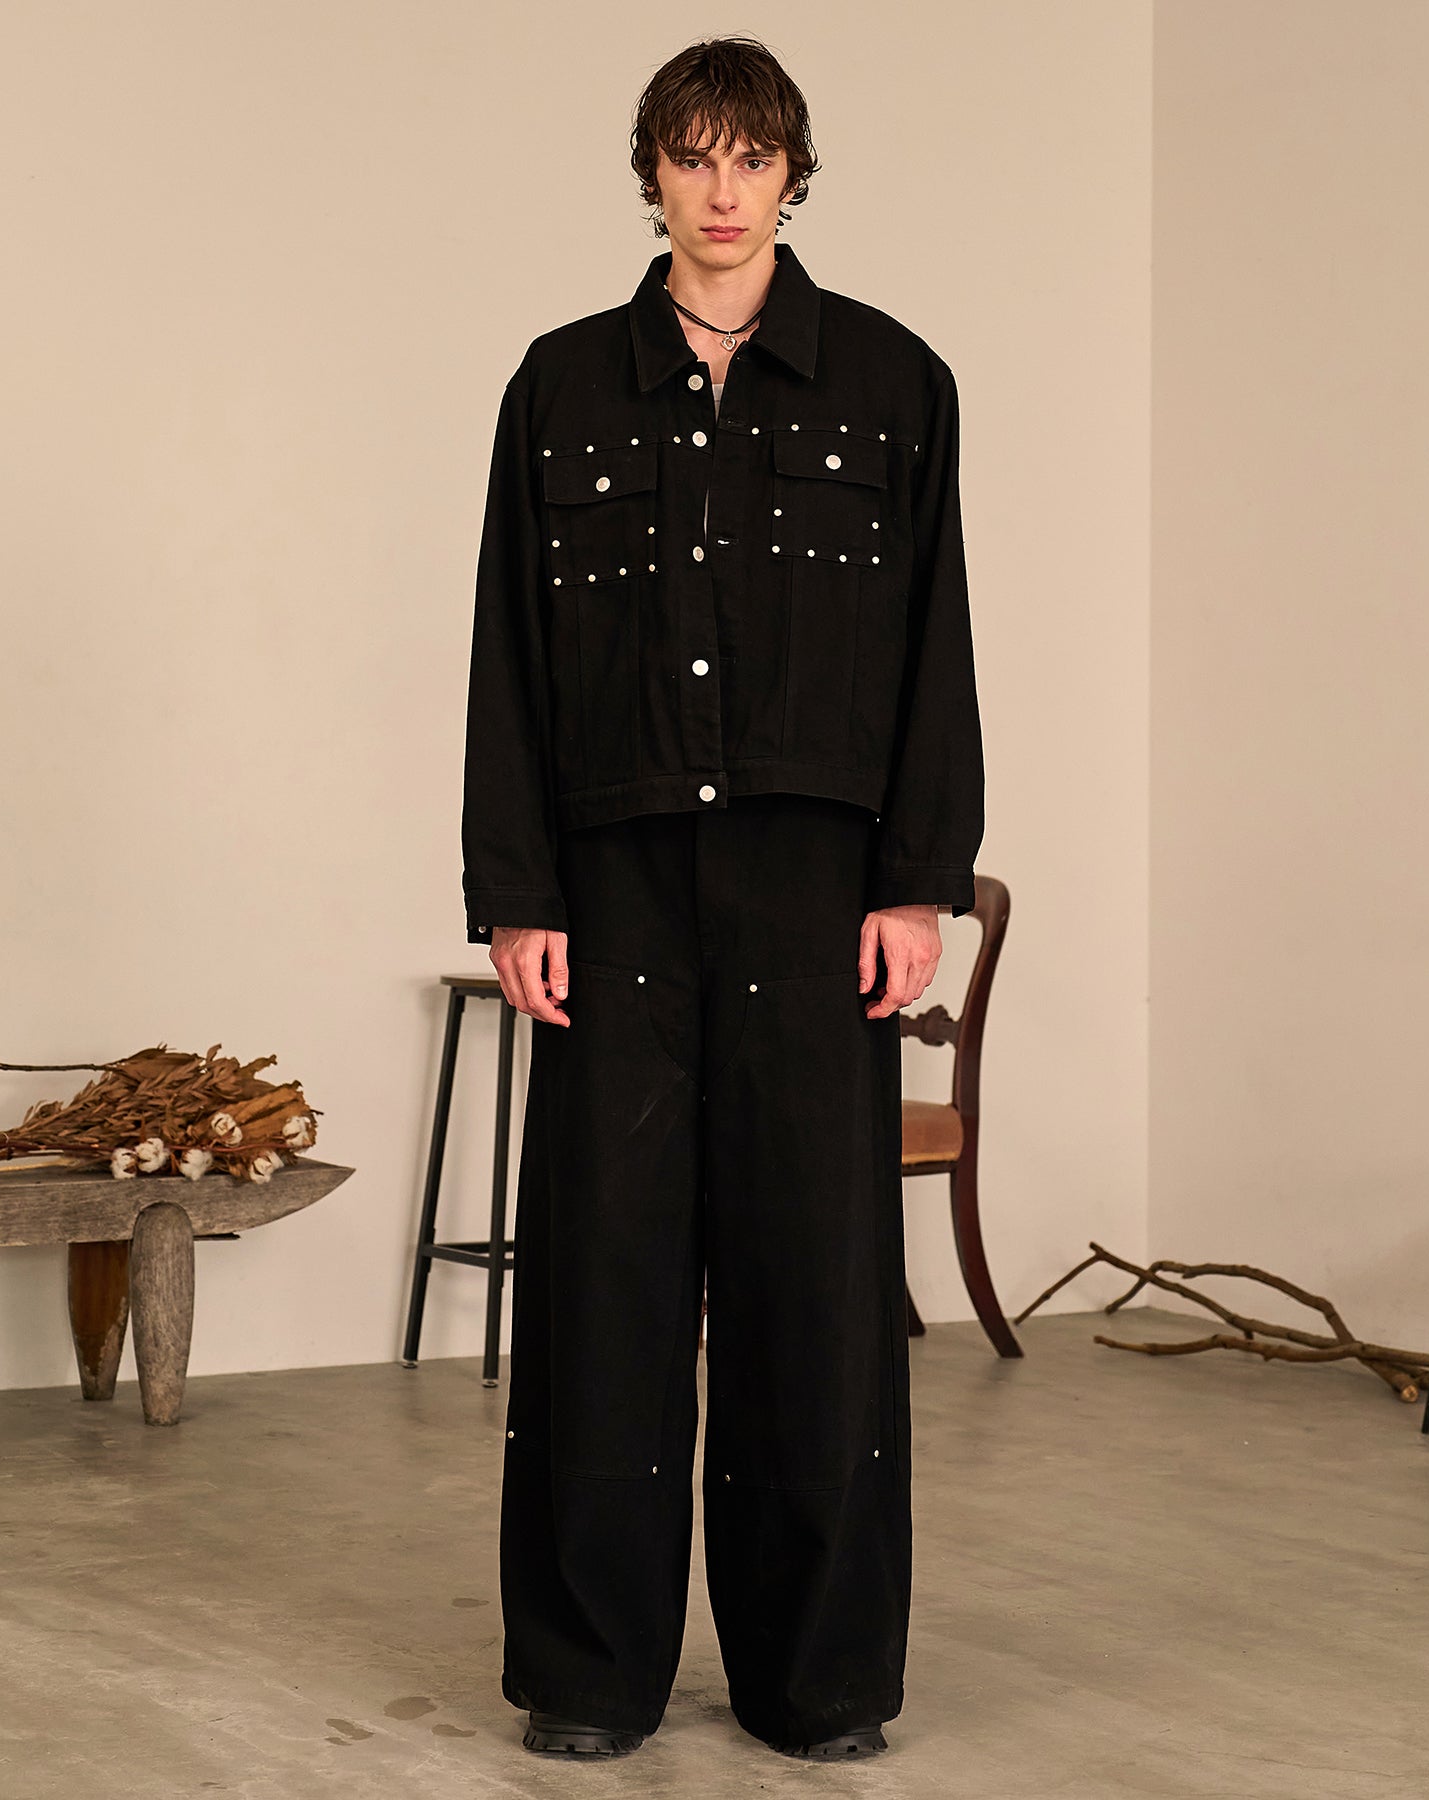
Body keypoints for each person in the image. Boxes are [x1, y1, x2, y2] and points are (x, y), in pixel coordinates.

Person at [459, 33, 984, 1762]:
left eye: (751, 157)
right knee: (603, 1283)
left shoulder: (893, 384)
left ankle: (817, 1679)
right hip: (614, 897)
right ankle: (588, 1674)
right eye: (692, 156)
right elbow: (510, 658)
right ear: (654, 175)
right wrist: (515, 889)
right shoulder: (560, 386)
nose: (722, 189)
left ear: (791, 174)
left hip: (814, 898)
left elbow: (935, 650)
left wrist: (918, 882)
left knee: (814, 1293)